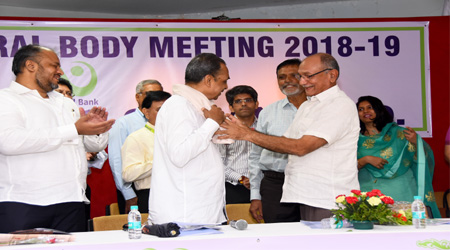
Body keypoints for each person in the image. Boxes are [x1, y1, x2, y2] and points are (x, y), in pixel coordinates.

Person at [219, 53, 360, 221]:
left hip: (326, 197)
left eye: (308, 76)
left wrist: (247, 134)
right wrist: (247, 133)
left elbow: (300, 147)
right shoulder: (309, 105)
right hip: (299, 193)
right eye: (301, 76)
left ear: (332, 75)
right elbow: (283, 143)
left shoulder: (339, 105)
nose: (302, 81)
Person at [0, 44, 115, 233]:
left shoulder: (65, 102)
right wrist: (73, 129)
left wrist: (96, 130)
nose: (60, 71)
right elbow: (8, 141)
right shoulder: (7, 99)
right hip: (24, 203)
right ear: (31, 66)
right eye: (54, 65)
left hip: (72, 201)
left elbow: (92, 145)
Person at [149, 53, 229, 224]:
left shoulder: (195, 106)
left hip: (198, 212)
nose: (226, 86)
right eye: (223, 81)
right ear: (208, 80)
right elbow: (180, 154)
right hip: (185, 215)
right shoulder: (179, 106)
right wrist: (212, 123)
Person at [356, 95, 440, 218]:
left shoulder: (400, 134)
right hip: (369, 192)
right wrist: (366, 160)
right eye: (361, 109)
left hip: (401, 191)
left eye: (370, 107)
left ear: (379, 110)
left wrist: (416, 142)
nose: (365, 112)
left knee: (405, 230)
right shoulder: (354, 138)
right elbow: (345, 167)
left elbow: (422, 158)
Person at [248, 59, 306, 223]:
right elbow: (254, 157)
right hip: (275, 185)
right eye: (282, 77)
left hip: (313, 181)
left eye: (294, 75)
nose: (287, 80)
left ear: (306, 78)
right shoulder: (268, 112)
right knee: (279, 237)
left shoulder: (320, 108)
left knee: (314, 236)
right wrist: (255, 196)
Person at [57, 77, 109, 225]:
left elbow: (95, 146)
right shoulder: (46, 118)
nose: (65, 96)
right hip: (51, 190)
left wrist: (97, 128)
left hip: (78, 189)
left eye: (68, 93)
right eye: (60, 92)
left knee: (77, 237)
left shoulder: (78, 117)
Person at [108, 79, 163, 214]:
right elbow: (117, 162)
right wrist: (129, 194)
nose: (154, 97)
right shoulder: (123, 123)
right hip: (135, 189)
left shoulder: (167, 124)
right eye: (149, 94)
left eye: (159, 93)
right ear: (137, 97)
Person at [121, 91, 171, 214]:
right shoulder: (136, 138)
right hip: (151, 196)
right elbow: (128, 174)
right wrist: (159, 161)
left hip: (180, 193)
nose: (166, 114)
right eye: (160, 110)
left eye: (170, 109)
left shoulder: (180, 136)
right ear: (146, 112)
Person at [218, 85, 259, 204]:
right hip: (233, 186)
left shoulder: (264, 126)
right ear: (231, 107)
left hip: (263, 186)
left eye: (248, 100)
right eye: (238, 101)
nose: (243, 104)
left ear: (256, 104)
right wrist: (241, 178)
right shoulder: (222, 129)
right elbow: (218, 163)